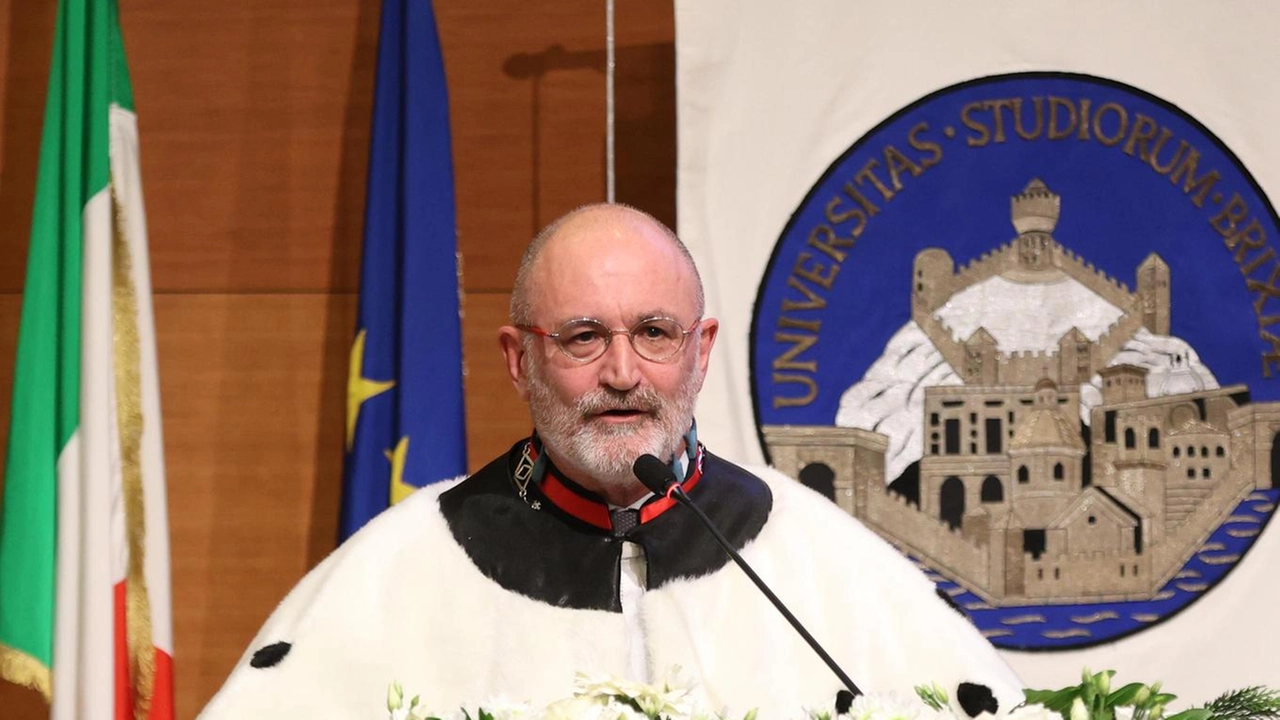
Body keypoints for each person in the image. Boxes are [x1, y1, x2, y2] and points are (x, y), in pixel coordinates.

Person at [197, 205, 1023, 719]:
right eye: (583, 337)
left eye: (655, 334)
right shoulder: (399, 572)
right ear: (520, 360)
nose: (623, 374)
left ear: (700, 353)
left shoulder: (822, 564)